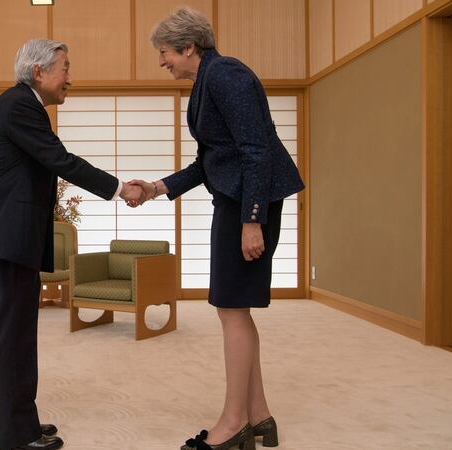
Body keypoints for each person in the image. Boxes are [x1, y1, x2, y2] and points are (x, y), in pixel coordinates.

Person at [133, 8, 305, 450]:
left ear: (189, 47)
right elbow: (211, 160)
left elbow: (255, 152)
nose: (162, 61)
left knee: (231, 308)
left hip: (248, 201)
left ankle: (233, 424)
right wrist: (157, 187)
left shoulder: (226, 75)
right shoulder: (208, 80)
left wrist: (252, 220)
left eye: (165, 52)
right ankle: (259, 415)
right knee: (234, 307)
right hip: (237, 198)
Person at [0, 39, 145, 450]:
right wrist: (120, 188)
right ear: (39, 72)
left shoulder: (24, 106)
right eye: (65, 67)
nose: (70, 77)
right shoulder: (18, 105)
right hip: (7, 238)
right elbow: (61, 160)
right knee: (10, 339)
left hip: (12, 238)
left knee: (17, 336)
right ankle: (14, 436)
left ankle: (23, 423)